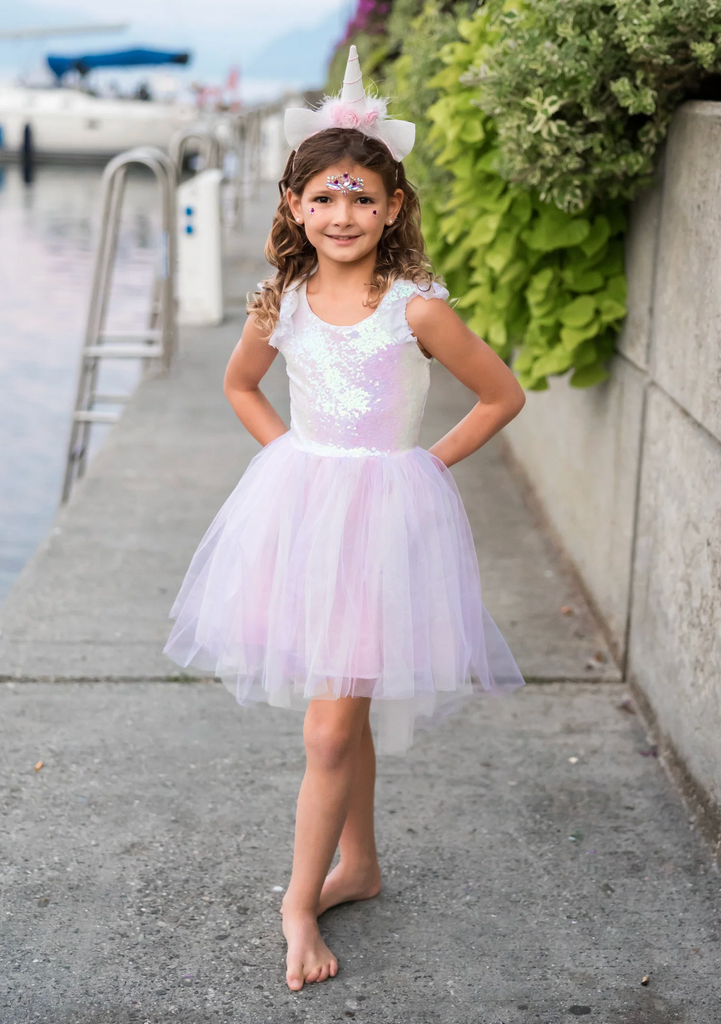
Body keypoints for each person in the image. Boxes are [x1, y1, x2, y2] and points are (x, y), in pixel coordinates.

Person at [164, 45, 526, 993]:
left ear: (393, 208)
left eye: (362, 198)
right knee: (344, 705)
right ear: (294, 207)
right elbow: (241, 385)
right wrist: (291, 457)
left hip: (382, 523)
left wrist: (423, 469)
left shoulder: (415, 310)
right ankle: (356, 865)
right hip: (304, 516)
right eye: (323, 198)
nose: (342, 216)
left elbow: (500, 396)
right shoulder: (280, 300)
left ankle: (297, 902)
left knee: (328, 729)